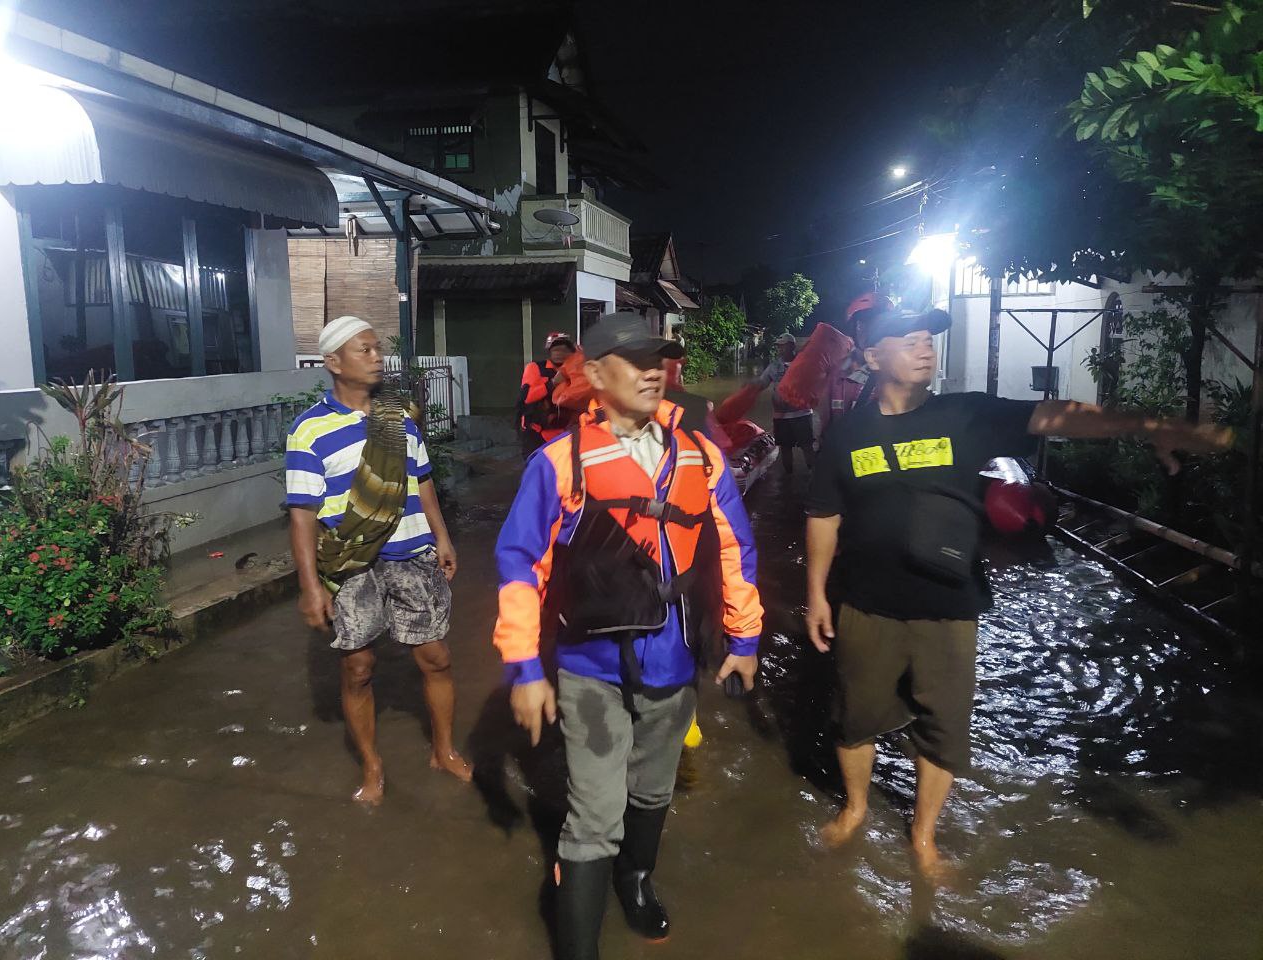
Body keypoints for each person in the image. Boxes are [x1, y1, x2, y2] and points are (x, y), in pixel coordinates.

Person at [804, 306, 1233, 879]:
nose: (926, 348)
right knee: (856, 718)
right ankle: (856, 808)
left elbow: (1061, 417)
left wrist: (1149, 425)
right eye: (908, 340)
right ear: (872, 356)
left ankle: (923, 837)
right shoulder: (846, 434)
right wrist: (816, 595)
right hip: (866, 604)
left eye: (929, 339)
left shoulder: (966, 413)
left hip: (950, 609)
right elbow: (824, 515)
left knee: (944, 727)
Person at [493, 312, 764, 960]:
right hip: (589, 666)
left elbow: (734, 547)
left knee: (652, 788)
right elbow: (518, 563)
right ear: (592, 375)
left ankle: (635, 877)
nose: (652, 371)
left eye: (659, 359)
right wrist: (524, 670)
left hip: (673, 658)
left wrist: (745, 640)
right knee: (593, 812)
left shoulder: (699, 453)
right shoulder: (560, 464)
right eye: (635, 358)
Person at [286, 315, 472, 806]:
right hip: (352, 565)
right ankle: (372, 766)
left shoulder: (399, 418)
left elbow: (424, 480)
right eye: (364, 350)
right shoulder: (308, 431)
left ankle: (444, 750)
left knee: (436, 657)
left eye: (376, 349)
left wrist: (444, 536)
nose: (377, 357)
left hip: (414, 554)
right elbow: (303, 515)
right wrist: (310, 588)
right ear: (332, 362)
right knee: (359, 669)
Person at [757, 332, 814, 474]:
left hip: (802, 414)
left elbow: (816, 383)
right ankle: (788, 482)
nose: (780, 349)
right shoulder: (774, 366)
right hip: (781, 416)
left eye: (784, 346)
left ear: (792, 346)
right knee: (785, 448)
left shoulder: (804, 364)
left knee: (807, 447)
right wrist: (748, 389)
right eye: (779, 346)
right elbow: (761, 384)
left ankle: (815, 478)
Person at [518, 332, 577, 456]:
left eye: (563, 350)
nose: (559, 353)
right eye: (555, 349)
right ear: (549, 351)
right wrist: (553, 383)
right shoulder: (536, 368)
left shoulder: (575, 370)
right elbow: (526, 398)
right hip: (537, 434)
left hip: (565, 432)